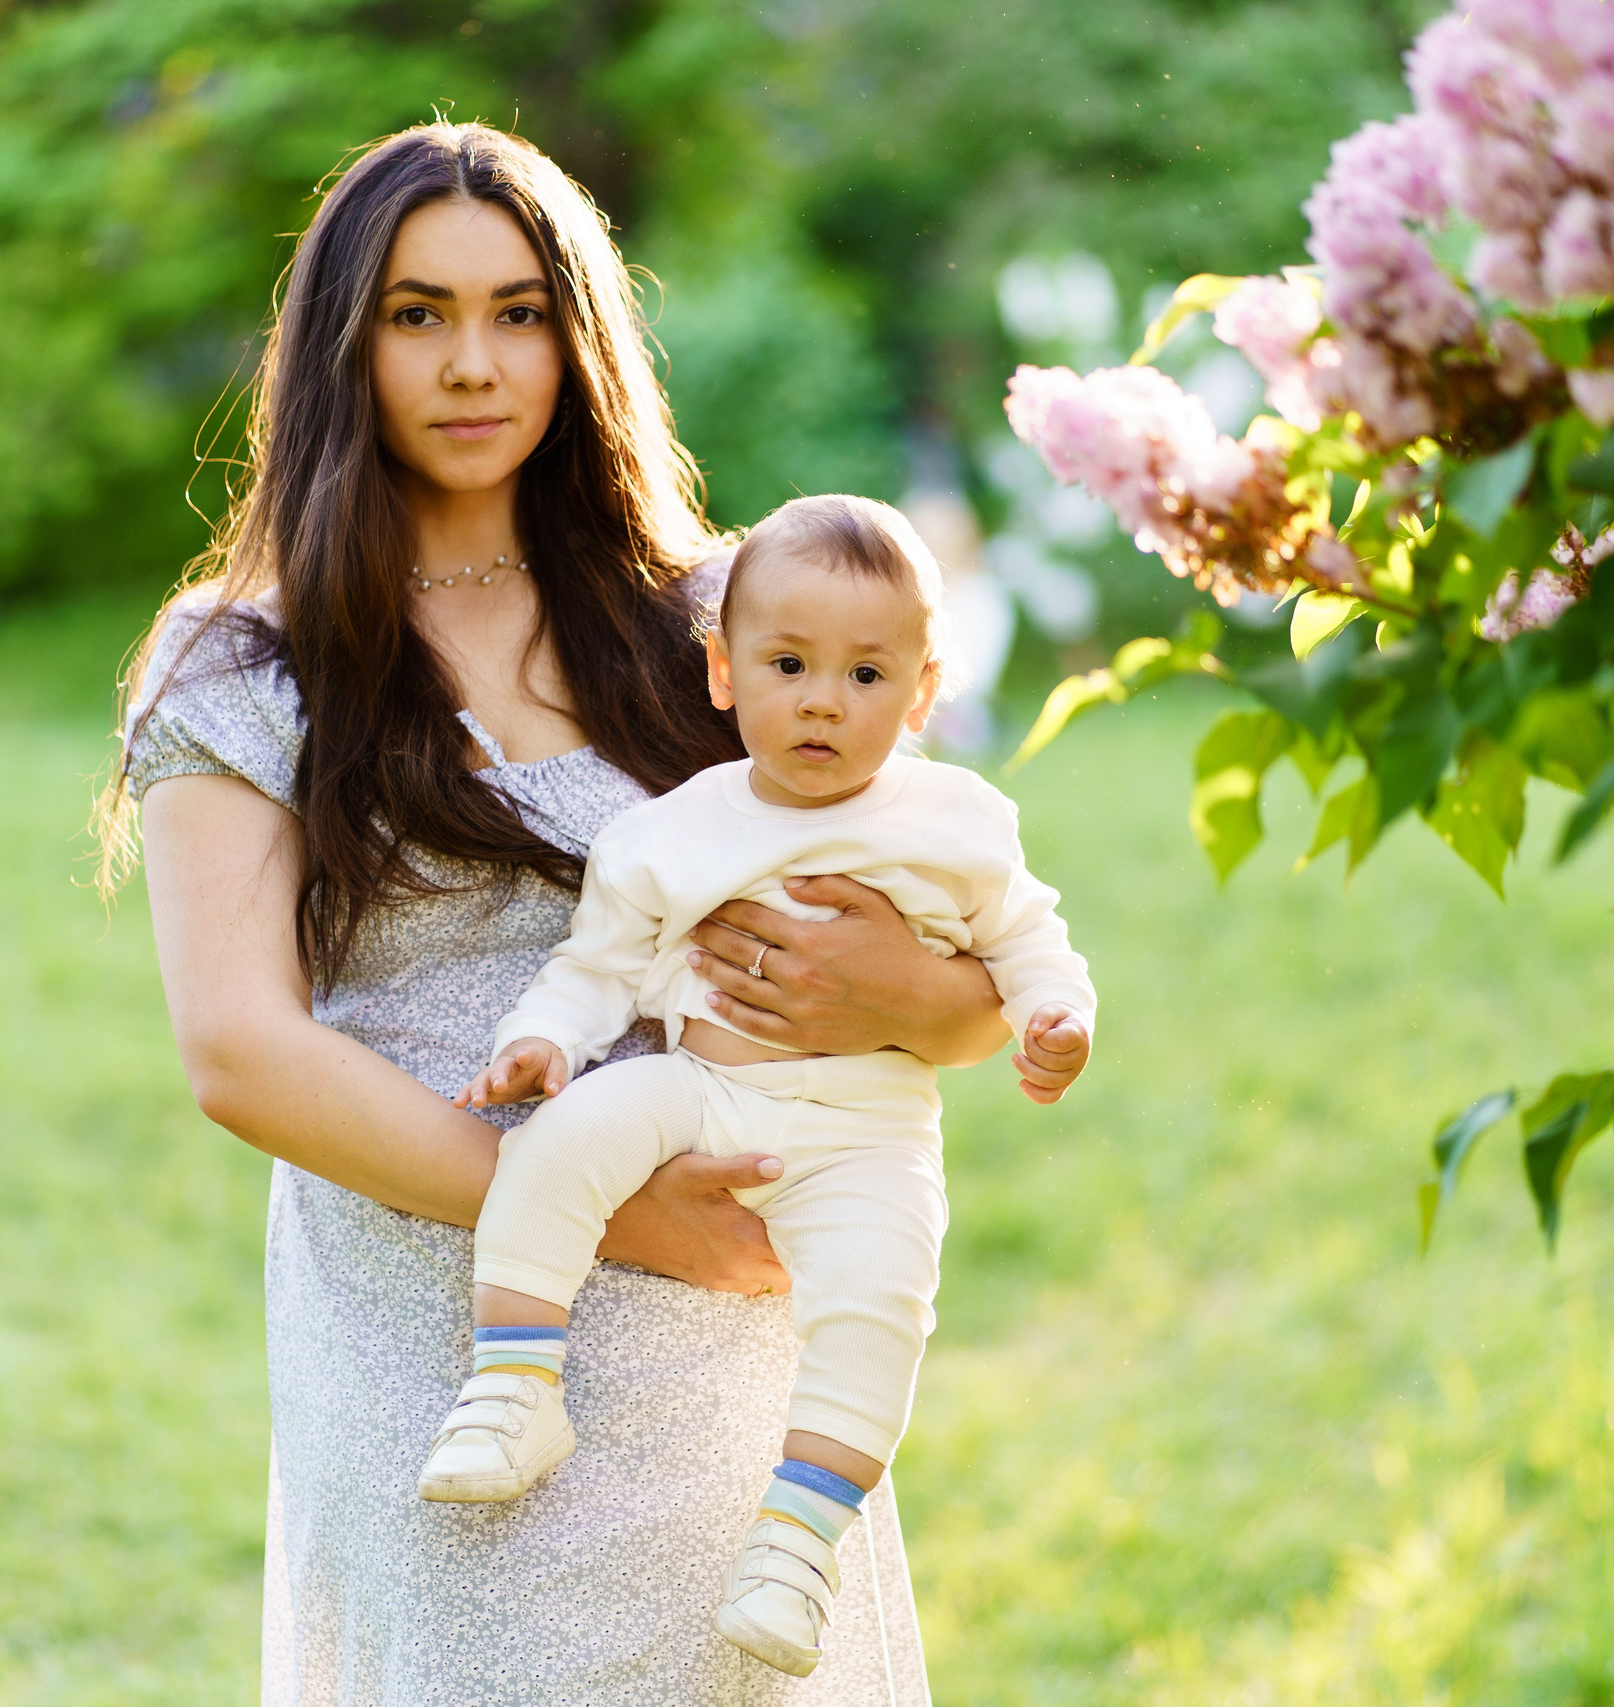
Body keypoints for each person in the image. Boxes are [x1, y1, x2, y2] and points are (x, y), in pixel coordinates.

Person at [100, 122, 1079, 1704]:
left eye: (518, 310)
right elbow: (237, 1052)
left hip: (723, 1348)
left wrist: (890, 985)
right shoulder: (243, 663)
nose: (473, 362)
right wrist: (607, 1206)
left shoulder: (713, 623)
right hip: (440, 1325)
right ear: (345, 346)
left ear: (579, 334)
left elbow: (974, 959)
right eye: (419, 314)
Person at [427, 493, 1097, 1678]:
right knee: (559, 1139)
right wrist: (546, 1041)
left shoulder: (956, 821)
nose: (825, 701)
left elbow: (1028, 943)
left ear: (922, 692)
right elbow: (601, 966)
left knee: (880, 1300)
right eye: (789, 665)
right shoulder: (674, 832)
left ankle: (796, 1542)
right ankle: (515, 1383)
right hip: (701, 1087)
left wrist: (1053, 1016)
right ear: (725, 673)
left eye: (866, 674)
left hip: (866, 1129)